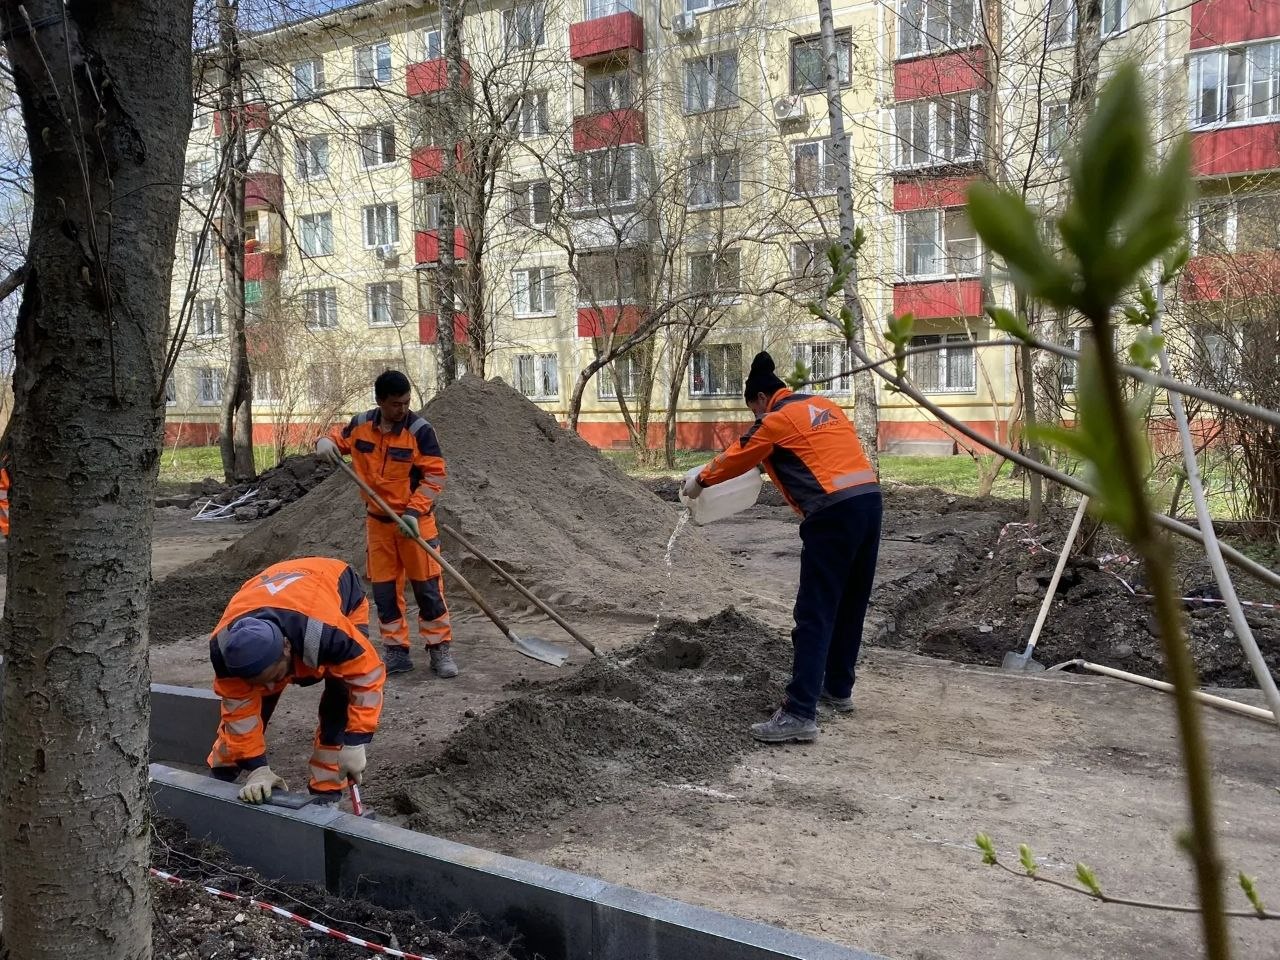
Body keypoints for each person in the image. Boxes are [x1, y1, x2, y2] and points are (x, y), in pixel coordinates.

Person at [684, 351, 881, 744]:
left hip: (831, 514)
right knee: (851, 602)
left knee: (814, 612)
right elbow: (815, 453)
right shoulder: (823, 406)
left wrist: (700, 480)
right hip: (869, 503)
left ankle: (799, 712)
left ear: (760, 398)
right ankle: (838, 689)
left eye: (753, 410)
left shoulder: (775, 420)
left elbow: (738, 455)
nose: (755, 417)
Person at [207, 557, 386, 804]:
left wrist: (356, 740)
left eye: (274, 677)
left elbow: (367, 676)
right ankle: (219, 777)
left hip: (335, 587)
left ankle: (326, 792)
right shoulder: (225, 652)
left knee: (340, 697)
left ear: (287, 647)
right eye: (259, 682)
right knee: (245, 714)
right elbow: (239, 715)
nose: (270, 687)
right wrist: (257, 768)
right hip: (278, 592)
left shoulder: (329, 635)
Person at [316, 370, 457, 678]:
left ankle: (439, 648)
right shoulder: (361, 426)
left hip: (415, 523)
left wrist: (413, 512)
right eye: (396, 404)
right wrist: (324, 441)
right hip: (379, 525)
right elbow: (338, 440)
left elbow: (435, 476)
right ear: (380, 401)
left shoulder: (420, 431)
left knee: (428, 590)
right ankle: (396, 651)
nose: (403, 409)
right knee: (384, 592)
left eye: (406, 402)